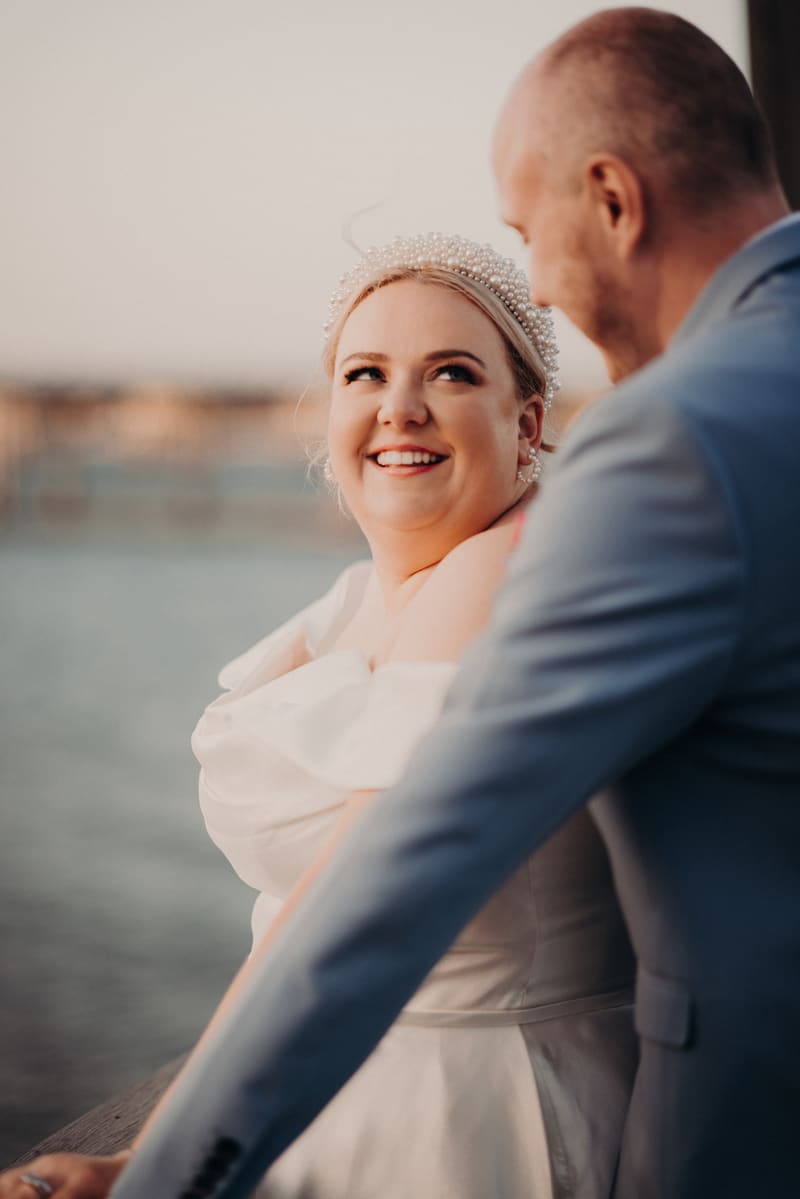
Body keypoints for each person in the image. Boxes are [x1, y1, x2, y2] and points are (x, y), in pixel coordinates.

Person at [69, 7, 800, 1198]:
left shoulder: (671, 442)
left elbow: (405, 865)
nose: (549, 290)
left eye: (529, 233)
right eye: (364, 374)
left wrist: (165, 1173)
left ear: (612, 201)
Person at [1, 234, 638, 1199]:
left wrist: (160, 1162)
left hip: (465, 1117)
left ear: (529, 419)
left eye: (453, 373)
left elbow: (351, 907)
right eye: (365, 372)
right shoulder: (353, 599)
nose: (400, 406)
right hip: (333, 1079)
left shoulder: (501, 570)